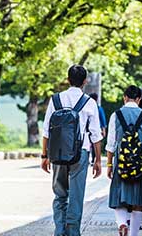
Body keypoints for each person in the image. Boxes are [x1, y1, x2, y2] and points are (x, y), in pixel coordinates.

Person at [41, 65, 103, 236]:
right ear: (85, 81)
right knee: (76, 196)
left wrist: (44, 156)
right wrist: (97, 160)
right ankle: (73, 232)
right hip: (80, 154)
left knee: (59, 194)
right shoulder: (89, 103)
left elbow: (46, 130)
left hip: (57, 152)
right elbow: (95, 135)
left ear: (68, 80)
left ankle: (59, 230)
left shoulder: (55, 100)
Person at [106, 85, 142, 236]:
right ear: (139, 99)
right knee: (138, 202)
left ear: (124, 97)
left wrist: (110, 165)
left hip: (121, 163)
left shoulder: (116, 115)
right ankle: (133, 233)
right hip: (141, 165)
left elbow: (111, 144)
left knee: (119, 198)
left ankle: (122, 223)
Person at [88, 93, 107, 166]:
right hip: (97, 129)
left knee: (90, 145)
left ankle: (92, 159)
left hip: (88, 130)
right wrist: (104, 130)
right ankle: (94, 159)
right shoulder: (99, 108)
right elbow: (103, 120)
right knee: (94, 145)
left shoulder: (87, 107)